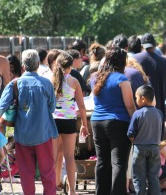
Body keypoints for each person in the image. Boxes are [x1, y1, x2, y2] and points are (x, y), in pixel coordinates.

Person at [0, 49, 58, 194]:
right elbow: (51, 108)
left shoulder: (14, 84)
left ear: (23, 66)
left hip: (22, 135)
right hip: (43, 134)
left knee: (26, 173)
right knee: (48, 173)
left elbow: (1, 107)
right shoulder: (46, 84)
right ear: (38, 64)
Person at [91, 47, 136, 195]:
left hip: (97, 122)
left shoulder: (95, 78)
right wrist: (137, 123)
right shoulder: (122, 79)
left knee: (102, 162)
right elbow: (129, 106)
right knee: (119, 163)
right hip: (118, 123)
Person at [52, 51, 89, 195]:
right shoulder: (74, 81)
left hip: (54, 120)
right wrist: (84, 125)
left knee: (53, 157)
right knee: (69, 157)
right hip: (69, 121)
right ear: (71, 65)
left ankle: (53, 187)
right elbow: (82, 106)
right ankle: (72, 190)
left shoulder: (51, 80)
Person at [127, 85, 163, 195]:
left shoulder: (137, 113)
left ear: (143, 98)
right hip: (155, 148)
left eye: (136, 97)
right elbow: (162, 134)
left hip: (140, 148)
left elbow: (130, 133)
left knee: (139, 176)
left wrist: (136, 141)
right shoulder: (159, 113)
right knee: (153, 176)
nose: (135, 100)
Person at [133, 33, 166, 120]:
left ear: (142, 46)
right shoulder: (165, 62)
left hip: (138, 109)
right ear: (154, 46)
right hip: (158, 109)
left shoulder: (134, 60)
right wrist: (163, 93)